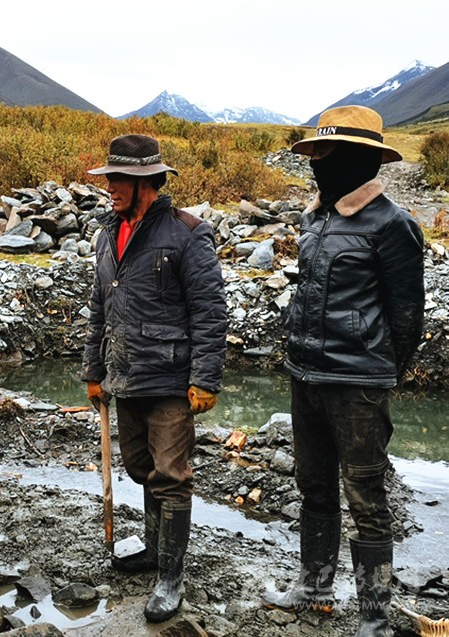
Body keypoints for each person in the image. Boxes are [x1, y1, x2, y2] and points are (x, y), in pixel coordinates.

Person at [261, 105, 425, 637]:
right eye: (315, 153)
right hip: (304, 374)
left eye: (326, 153)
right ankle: (314, 589)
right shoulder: (315, 218)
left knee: (366, 496)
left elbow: (407, 316)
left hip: (357, 385)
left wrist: (378, 371)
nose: (316, 164)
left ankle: (374, 616)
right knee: (313, 487)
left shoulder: (394, 225)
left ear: (358, 159)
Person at [81, 134, 227, 622]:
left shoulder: (188, 233)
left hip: (170, 379)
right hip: (125, 375)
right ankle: (152, 548)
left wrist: (205, 378)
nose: (110, 188)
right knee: (140, 466)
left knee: (171, 476)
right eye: (109, 179)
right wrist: (94, 372)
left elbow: (210, 311)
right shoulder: (109, 234)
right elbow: (100, 308)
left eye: (117, 180)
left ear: (146, 182)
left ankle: (170, 577)